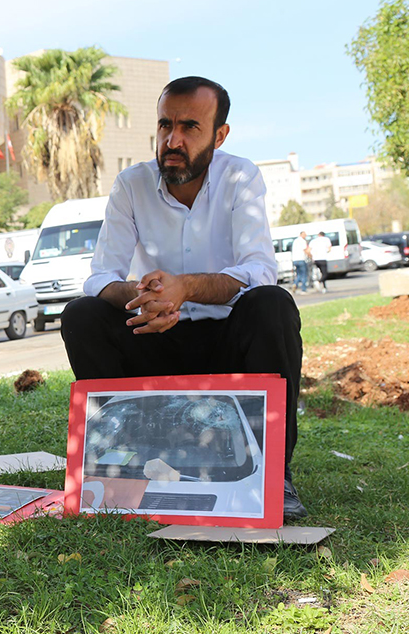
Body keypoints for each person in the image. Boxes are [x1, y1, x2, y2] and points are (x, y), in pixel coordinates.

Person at [60, 76, 307, 519]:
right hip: (157, 336)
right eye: (164, 125)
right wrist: (146, 296)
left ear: (219, 135)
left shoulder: (240, 176)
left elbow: (259, 269)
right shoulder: (131, 185)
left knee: (272, 304)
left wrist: (186, 288)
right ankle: (120, 472)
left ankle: (274, 476)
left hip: (227, 345)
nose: (172, 140)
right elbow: (99, 278)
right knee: (83, 315)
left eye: (190, 127)